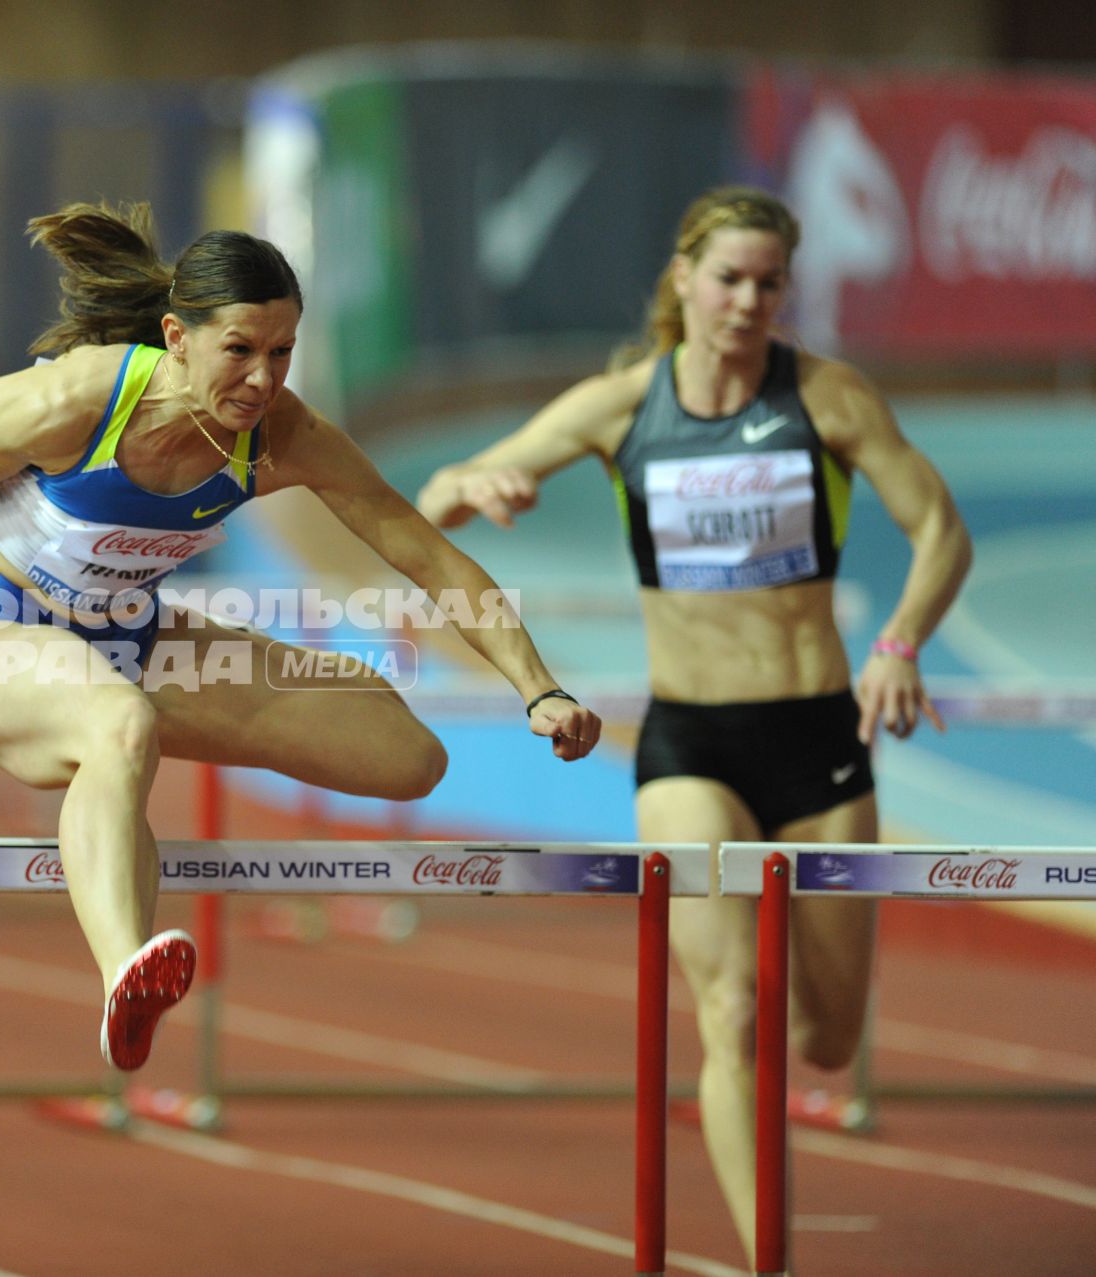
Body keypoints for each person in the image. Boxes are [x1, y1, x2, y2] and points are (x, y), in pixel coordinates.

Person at [0, 201, 602, 1072]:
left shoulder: (283, 435)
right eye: (240, 350)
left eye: (282, 352)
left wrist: (541, 687)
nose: (263, 382)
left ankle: (114, 760)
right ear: (176, 337)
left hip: (132, 635)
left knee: (405, 755)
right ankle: (125, 972)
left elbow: (431, 556)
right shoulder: (69, 400)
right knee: (120, 725)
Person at [415, 185, 971, 1264]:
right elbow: (430, 501)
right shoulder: (624, 404)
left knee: (823, 1033)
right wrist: (470, 480)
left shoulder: (827, 396)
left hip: (818, 745)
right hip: (689, 746)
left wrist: (900, 641)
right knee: (728, 1009)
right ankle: (772, 1254)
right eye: (729, 278)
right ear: (685, 281)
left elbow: (941, 528)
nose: (748, 301)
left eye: (769, 283)